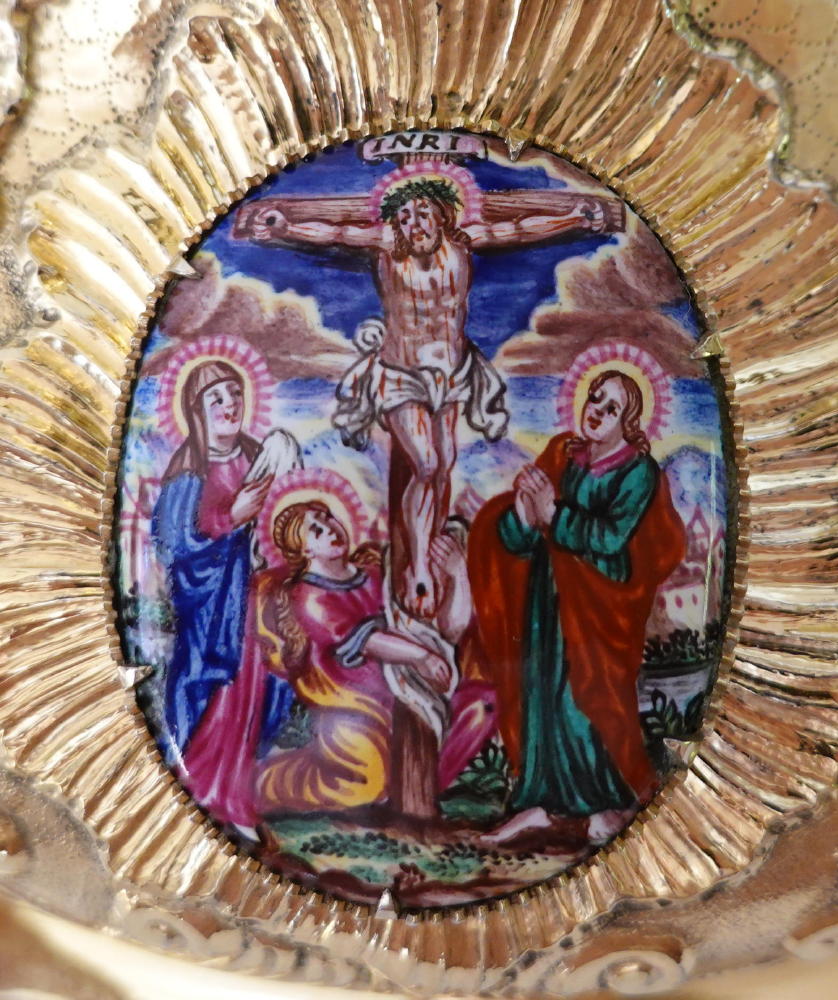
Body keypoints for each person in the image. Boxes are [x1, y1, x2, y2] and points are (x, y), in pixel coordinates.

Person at [236, 174, 613, 618]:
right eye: (404, 217)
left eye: (422, 213)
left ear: (442, 215)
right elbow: (338, 233)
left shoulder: (463, 244)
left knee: (443, 466)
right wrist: (286, 226)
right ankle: (416, 565)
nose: (413, 224)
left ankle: (430, 552)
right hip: (401, 375)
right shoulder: (389, 249)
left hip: (451, 374)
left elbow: (517, 229)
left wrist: (573, 218)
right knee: (427, 464)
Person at [467, 370, 686, 844]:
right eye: (595, 398)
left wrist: (553, 513)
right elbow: (521, 540)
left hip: (599, 610)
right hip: (547, 605)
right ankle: (539, 802)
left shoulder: (638, 474)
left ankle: (605, 805)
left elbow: (612, 540)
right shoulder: (562, 456)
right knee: (541, 696)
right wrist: (523, 513)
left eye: (611, 408)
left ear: (628, 422)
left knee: (584, 699)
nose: (597, 412)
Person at [254, 500, 497, 817]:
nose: (330, 528)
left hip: (409, 696)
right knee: (366, 784)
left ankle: (417, 788)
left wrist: (457, 574)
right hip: (356, 711)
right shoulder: (309, 597)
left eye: (328, 517)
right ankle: (267, 781)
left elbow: (440, 627)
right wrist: (421, 656)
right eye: (316, 529)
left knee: (483, 706)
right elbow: (368, 640)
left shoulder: (375, 573)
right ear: (305, 550)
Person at [152, 359, 273, 756]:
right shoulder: (189, 470)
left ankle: (239, 771)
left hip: (255, 600)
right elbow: (175, 545)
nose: (230, 403)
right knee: (199, 681)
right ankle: (191, 761)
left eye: (236, 393)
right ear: (196, 411)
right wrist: (231, 517)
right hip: (209, 606)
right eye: (216, 398)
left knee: (258, 681)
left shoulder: (258, 456)